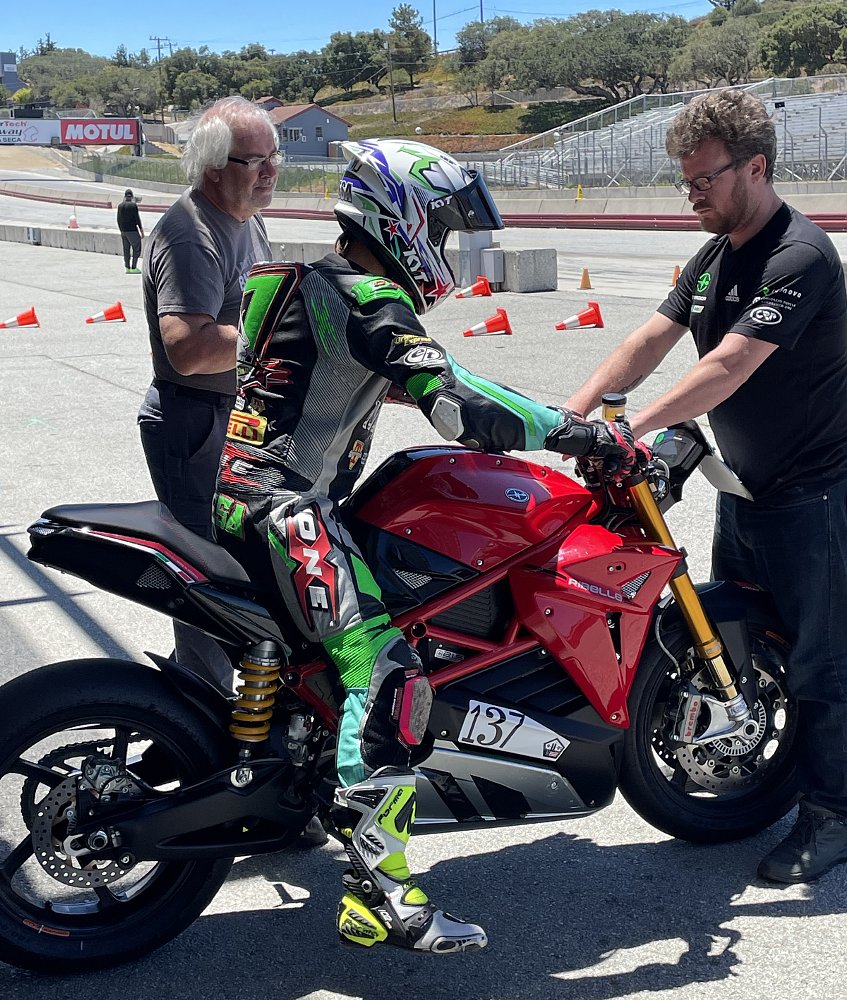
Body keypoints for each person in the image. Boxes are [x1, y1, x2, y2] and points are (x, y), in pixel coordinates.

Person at [212, 138, 639, 952]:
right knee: (390, 670)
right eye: (439, 227)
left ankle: (316, 782)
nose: (442, 246)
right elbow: (456, 403)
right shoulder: (367, 294)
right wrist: (577, 433)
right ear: (397, 215)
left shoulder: (291, 277)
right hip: (285, 509)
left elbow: (357, 380)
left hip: (244, 497)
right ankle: (379, 891)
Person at [564, 88, 847, 886]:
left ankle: (832, 818)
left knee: (826, 665)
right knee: (737, 643)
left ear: (755, 167)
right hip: (746, 490)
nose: (692, 195)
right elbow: (651, 336)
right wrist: (572, 410)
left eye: (704, 181)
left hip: (815, 497)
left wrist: (636, 426)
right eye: (684, 183)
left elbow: (728, 363)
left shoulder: (799, 255)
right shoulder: (713, 255)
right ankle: (762, 780)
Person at [137, 95, 279, 693]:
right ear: (213, 166)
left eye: (275, 156)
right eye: (255, 160)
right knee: (208, 580)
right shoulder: (191, 234)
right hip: (193, 422)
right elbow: (188, 348)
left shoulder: (247, 220)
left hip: (232, 417)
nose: (271, 171)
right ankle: (196, 723)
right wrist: (278, 336)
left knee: (242, 570)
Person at [117, 189, 144, 273]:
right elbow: (137, 219)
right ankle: (134, 267)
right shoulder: (133, 206)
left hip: (123, 231)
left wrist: (121, 230)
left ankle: (127, 268)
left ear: (125, 196)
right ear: (131, 196)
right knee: (136, 248)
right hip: (132, 231)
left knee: (126, 249)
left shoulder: (120, 206)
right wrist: (141, 231)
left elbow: (118, 219)